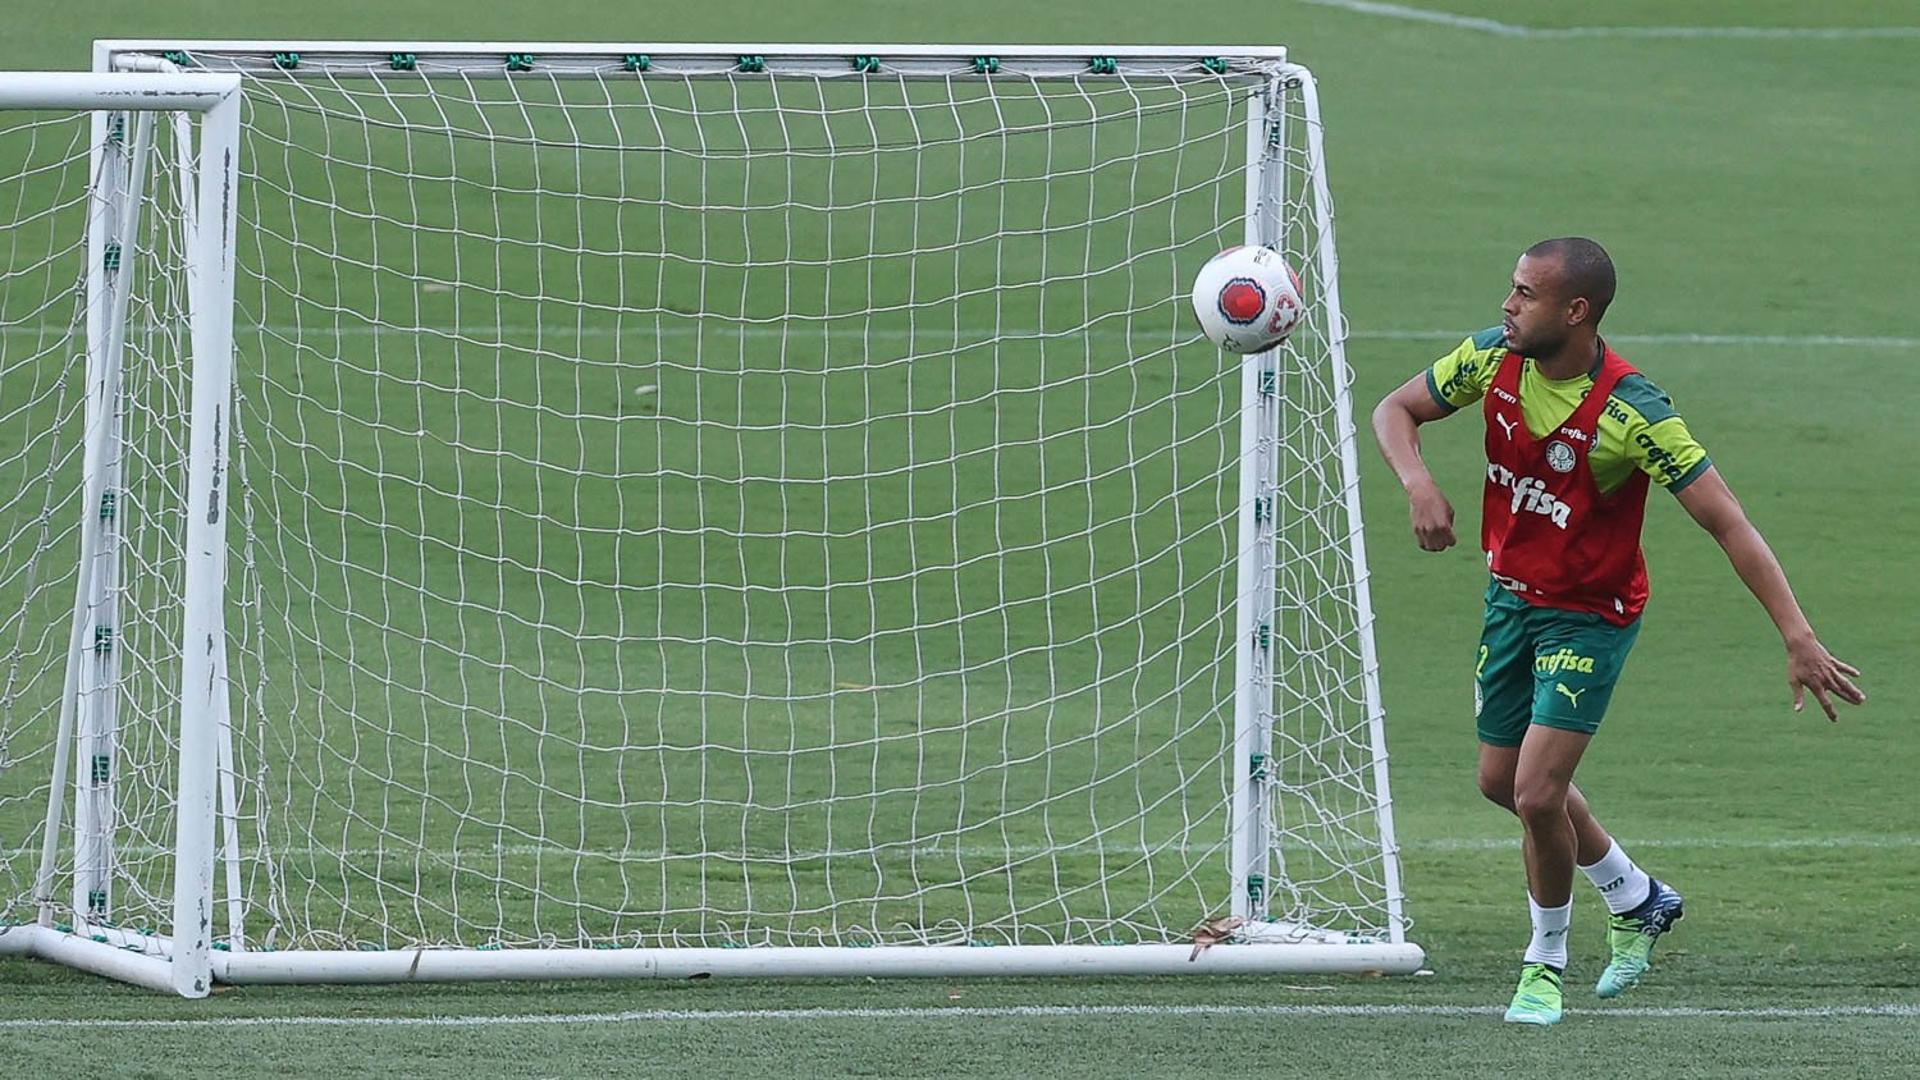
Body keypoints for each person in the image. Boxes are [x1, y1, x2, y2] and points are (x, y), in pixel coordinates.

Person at [1369, 237, 1866, 1025]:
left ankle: (1545, 962)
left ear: (1576, 311)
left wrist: (1797, 634)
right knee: (1500, 783)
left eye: (1526, 294)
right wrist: (1418, 482)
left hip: (1590, 617)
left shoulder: (1634, 412)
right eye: (1512, 288)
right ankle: (1636, 898)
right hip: (1511, 601)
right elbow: (1395, 409)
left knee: (1537, 794)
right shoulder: (1493, 358)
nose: (1508, 305)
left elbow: (1728, 522)